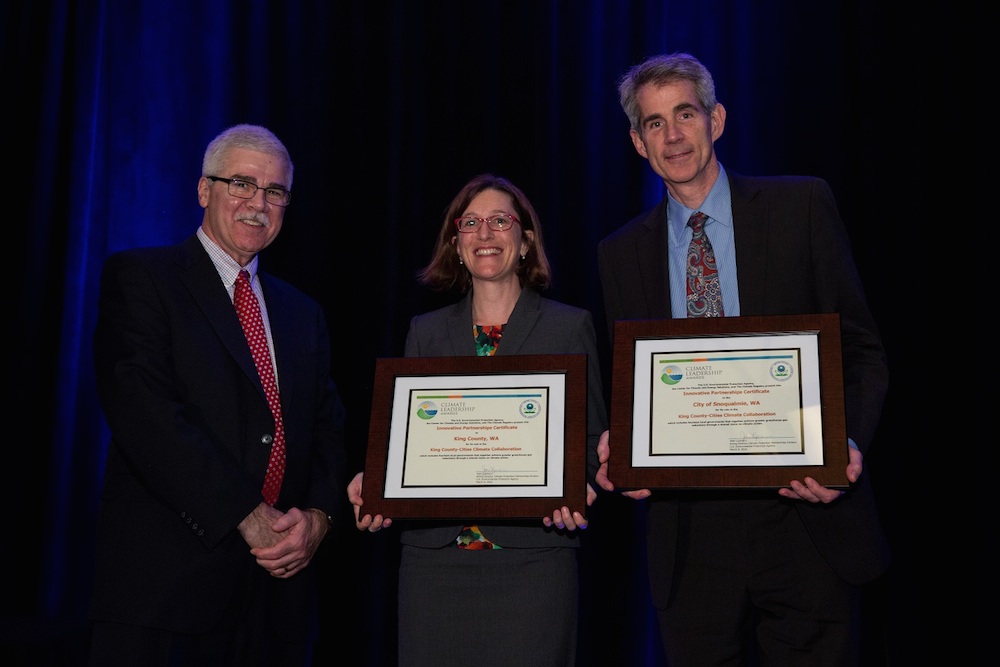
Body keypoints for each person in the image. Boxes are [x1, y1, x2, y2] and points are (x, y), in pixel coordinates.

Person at [596, 53, 890, 666]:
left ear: (717, 119)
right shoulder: (620, 254)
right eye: (654, 123)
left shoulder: (800, 208)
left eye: (685, 114)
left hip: (804, 514)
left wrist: (848, 444)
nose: (673, 135)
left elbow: (861, 349)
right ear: (637, 142)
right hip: (690, 535)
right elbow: (635, 385)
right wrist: (619, 445)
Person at [88, 123, 347, 666]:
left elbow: (327, 427)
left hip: (278, 599)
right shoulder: (143, 278)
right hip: (168, 595)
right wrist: (245, 513)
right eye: (241, 184)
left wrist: (319, 519)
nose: (259, 203)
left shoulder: (303, 312)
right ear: (205, 190)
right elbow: (146, 415)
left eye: (275, 191)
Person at [347, 173, 609, 667]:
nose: (484, 233)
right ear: (455, 243)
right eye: (470, 223)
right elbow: (406, 444)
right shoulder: (423, 332)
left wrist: (582, 484)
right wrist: (376, 481)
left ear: (526, 241)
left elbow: (593, 439)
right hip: (433, 568)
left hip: (533, 566)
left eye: (499, 221)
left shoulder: (569, 326)